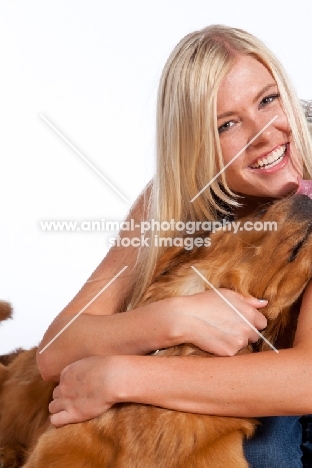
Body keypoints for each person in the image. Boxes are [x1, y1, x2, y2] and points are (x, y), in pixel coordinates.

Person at [37, 25, 312, 467]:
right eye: (227, 124)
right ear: (197, 145)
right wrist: (175, 317)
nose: (264, 133)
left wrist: (121, 374)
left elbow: (306, 380)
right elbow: (56, 351)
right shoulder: (171, 199)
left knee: (261, 452)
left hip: (294, 399)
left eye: (267, 100)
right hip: (218, 376)